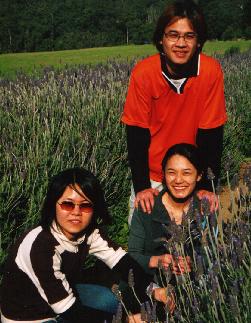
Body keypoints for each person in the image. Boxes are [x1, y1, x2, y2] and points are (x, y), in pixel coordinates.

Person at [0, 168, 170, 323]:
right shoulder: (40, 247)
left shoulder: (89, 232)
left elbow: (121, 262)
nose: (76, 212)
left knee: (109, 300)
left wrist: (154, 290)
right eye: (67, 204)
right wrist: (126, 320)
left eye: (86, 205)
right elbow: (70, 312)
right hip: (28, 318)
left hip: (58, 301)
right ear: (54, 205)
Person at [121, 0, 227, 224]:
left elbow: (211, 133)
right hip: (152, 174)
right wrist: (142, 187)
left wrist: (206, 186)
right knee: (143, 245)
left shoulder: (210, 71)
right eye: (173, 35)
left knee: (194, 245)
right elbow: (136, 133)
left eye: (189, 36)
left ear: (198, 42)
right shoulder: (144, 73)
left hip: (191, 174)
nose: (181, 43)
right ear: (161, 39)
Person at [128, 143, 210, 318]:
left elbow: (212, 255)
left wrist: (193, 263)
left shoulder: (204, 209)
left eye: (187, 173)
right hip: (149, 286)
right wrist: (157, 260)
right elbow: (132, 256)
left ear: (199, 176)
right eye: (171, 172)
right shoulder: (147, 207)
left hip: (193, 288)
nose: (178, 180)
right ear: (163, 176)